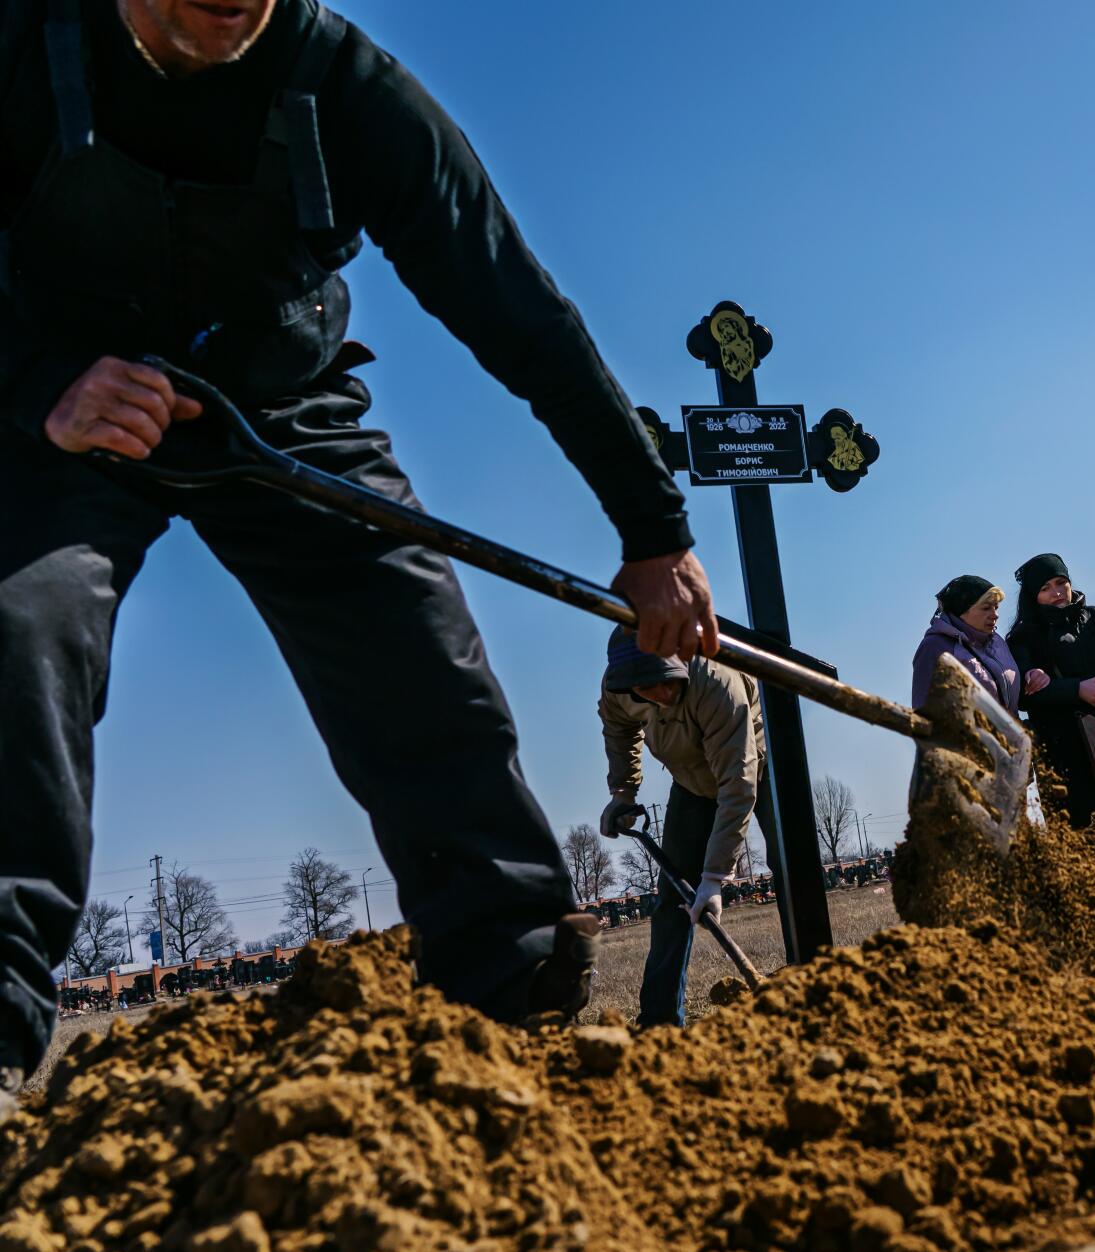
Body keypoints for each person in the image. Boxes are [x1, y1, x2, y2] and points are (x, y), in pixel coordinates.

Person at [0, 0, 721, 1110]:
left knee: (412, 631)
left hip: (275, 398)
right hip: (60, 400)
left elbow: (516, 307)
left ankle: (509, 986)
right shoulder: (22, 43)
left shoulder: (350, 91)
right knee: (19, 624)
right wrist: (38, 382)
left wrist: (653, 531)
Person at [598, 630, 773, 1028]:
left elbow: (738, 782)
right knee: (672, 901)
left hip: (758, 768)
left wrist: (714, 877)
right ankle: (659, 1022)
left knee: (791, 866)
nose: (659, 693)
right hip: (692, 783)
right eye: (647, 688)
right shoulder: (620, 687)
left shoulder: (716, 683)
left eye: (665, 681)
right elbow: (619, 730)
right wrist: (623, 791)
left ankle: (818, 975)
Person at [1005, 552, 1095, 827]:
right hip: (1064, 753)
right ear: (1032, 596)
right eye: (1045, 588)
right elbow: (1025, 696)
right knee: (1080, 836)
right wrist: (1076, 689)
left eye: (1061, 583)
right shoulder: (1023, 637)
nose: (1057, 593)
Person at [912, 575, 1021, 713]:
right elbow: (924, 710)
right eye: (986, 608)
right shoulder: (934, 646)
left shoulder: (997, 642)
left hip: (1011, 733)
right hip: (965, 734)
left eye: (996, 607)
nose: (995, 615)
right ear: (961, 610)